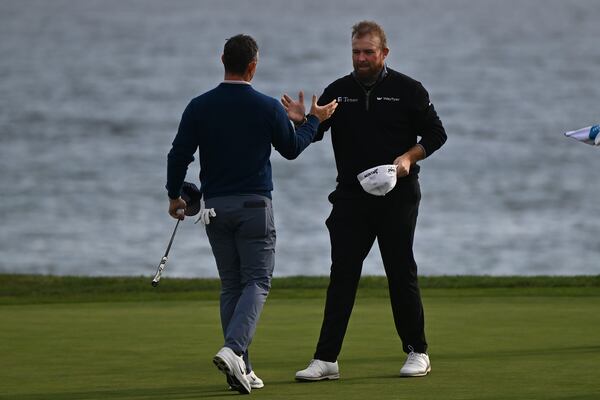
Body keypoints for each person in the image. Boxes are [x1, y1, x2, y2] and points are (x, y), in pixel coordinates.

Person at [166, 34, 337, 394]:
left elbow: (178, 154)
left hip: (214, 209)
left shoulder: (199, 106)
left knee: (232, 284)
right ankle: (234, 350)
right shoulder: (266, 107)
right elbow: (291, 149)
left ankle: (242, 368)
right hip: (255, 208)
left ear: (222, 60)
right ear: (253, 66)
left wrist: (173, 195)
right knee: (257, 282)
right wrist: (312, 121)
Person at [282, 21, 447, 380]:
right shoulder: (338, 92)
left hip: (398, 196)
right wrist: (303, 121)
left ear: (384, 53)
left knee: (400, 271)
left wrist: (408, 157)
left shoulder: (409, 90)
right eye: (356, 51)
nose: (361, 58)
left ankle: (417, 351)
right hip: (351, 198)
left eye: (368, 51)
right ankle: (326, 360)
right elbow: (316, 132)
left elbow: (436, 133)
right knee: (342, 275)